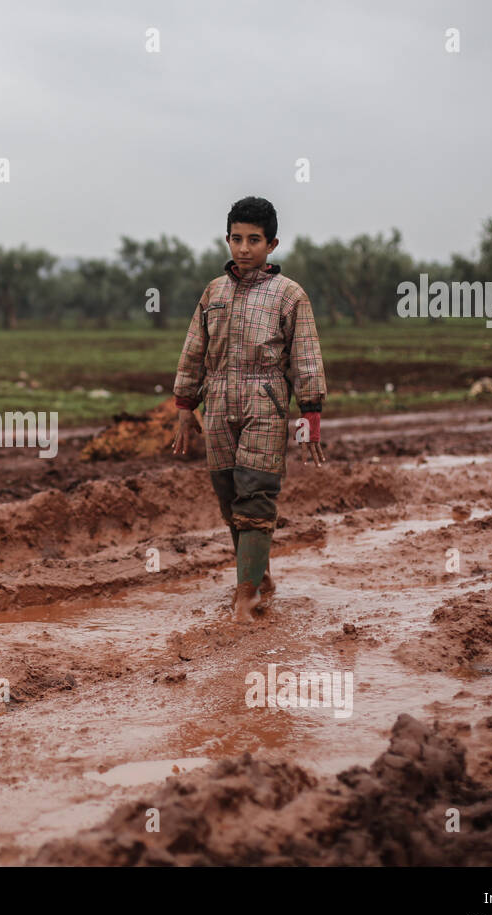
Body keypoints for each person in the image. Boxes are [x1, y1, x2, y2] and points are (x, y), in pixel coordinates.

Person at [170, 196, 328, 623]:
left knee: (255, 495)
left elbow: (307, 357)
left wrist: (310, 414)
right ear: (227, 239)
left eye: (254, 240)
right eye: (236, 239)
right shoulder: (213, 292)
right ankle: (260, 576)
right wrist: (186, 405)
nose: (243, 248)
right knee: (229, 498)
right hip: (219, 403)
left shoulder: (289, 296)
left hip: (266, 401)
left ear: (272, 244)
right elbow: (193, 351)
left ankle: (245, 597)